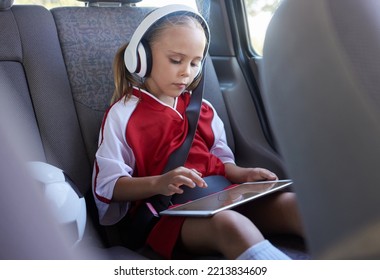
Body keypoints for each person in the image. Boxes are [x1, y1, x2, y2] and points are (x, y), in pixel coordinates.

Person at [93, 4, 303, 260]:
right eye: (176, 60)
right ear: (141, 57)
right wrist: (160, 183)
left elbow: (220, 159)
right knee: (231, 226)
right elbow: (108, 185)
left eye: (195, 63)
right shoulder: (123, 114)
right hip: (171, 214)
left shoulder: (203, 109)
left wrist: (242, 173)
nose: (186, 72)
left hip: (224, 197)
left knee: (297, 206)